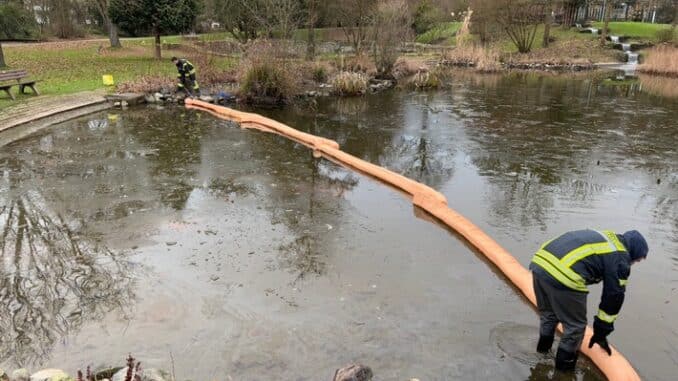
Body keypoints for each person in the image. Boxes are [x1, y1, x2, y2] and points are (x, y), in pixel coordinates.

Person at [529, 229, 648, 371]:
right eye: (638, 259)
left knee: (549, 315)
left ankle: (542, 355)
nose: (635, 263)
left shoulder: (608, 238)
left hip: (540, 263)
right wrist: (601, 332)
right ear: (634, 251)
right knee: (575, 328)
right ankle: (563, 374)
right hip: (564, 274)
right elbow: (613, 297)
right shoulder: (620, 258)